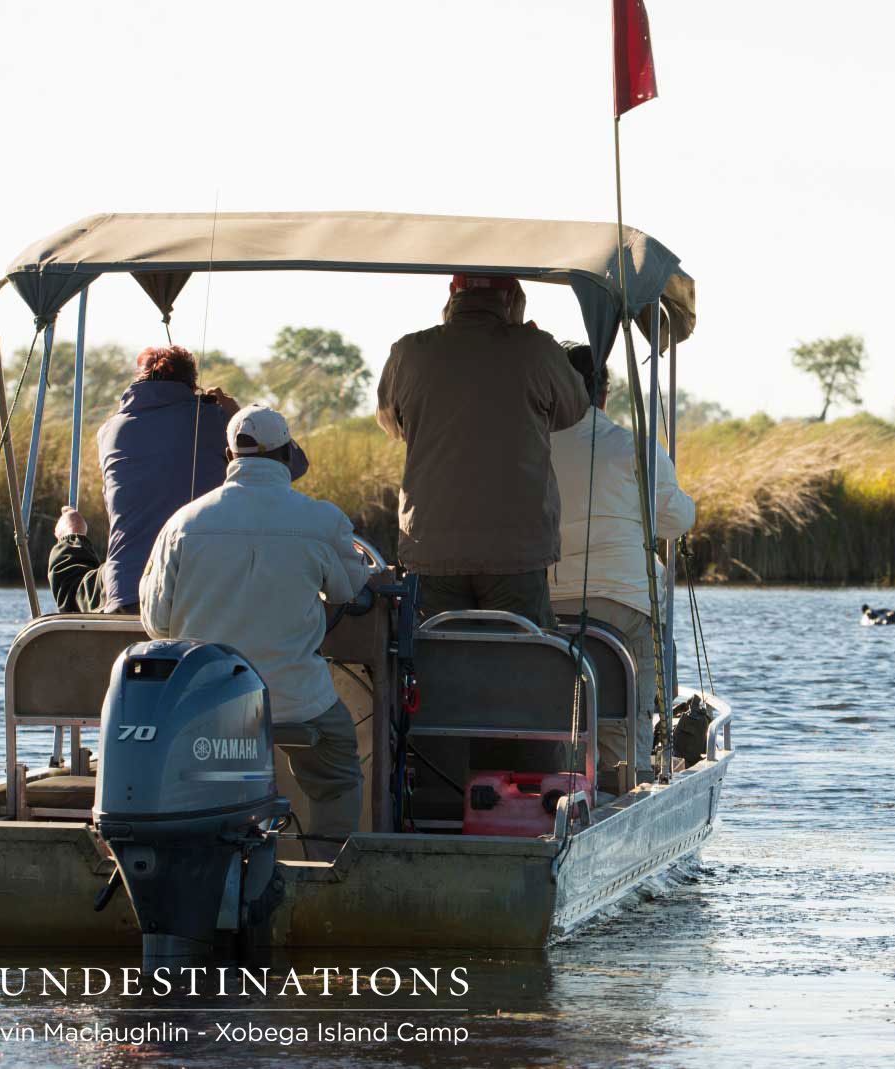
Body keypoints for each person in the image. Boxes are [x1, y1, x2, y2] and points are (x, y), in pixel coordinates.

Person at [140, 403, 369, 852]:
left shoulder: (182, 523)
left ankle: (223, 864)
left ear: (229, 459)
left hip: (206, 706)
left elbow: (157, 624)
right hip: (297, 703)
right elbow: (349, 588)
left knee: (217, 781)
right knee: (337, 778)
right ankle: (324, 874)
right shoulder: (321, 520)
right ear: (288, 455)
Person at [376, 274, 588, 627]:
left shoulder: (409, 351)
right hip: (517, 552)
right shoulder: (535, 347)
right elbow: (574, 408)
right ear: (512, 299)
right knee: (519, 661)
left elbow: (390, 424)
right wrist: (520, 332)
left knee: (440, 660)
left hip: (430, 546)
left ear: (452, 295)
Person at [548, 343, 696, 781]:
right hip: (626, 605)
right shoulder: (632, 446)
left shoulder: (530, 447)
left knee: (558, 709)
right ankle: (624, 779)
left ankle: (563, 784)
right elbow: (676, 519)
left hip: (550, 603)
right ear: (604, 393)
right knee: (626, 710)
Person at [48, 346, 237, 614]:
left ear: (138, 379)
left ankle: (71, 534)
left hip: (126, 590)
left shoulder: (110, 430)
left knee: (73, 579)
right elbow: (292, 467)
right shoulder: (216, 420)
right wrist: (234, 413)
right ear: (192, 383)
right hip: (200, 593)